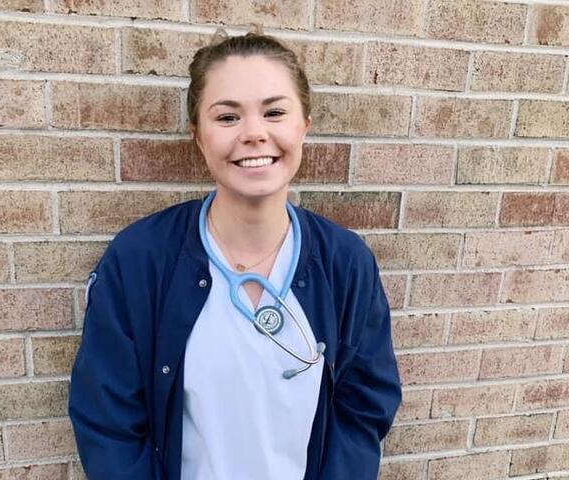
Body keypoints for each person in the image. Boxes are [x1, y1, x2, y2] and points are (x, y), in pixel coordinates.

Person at [69, 29, 402, 480]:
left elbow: (363, 409)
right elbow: (108, 423)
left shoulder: (345, 263)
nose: (254, 134)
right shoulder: (140, 260)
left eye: (275, 112)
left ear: (304, 125)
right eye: (227, 118)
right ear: (198, 136)